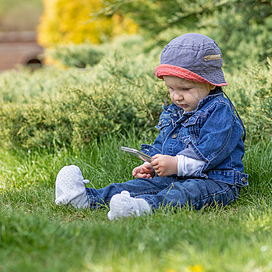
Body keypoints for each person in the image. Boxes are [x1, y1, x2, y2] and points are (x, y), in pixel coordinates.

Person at [55, 33, 248, 220]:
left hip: (215, 181)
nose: (176, 96)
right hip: (176, 175)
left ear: (211, 83)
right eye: (171, 89)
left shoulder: (220, 110)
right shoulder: (179, 109)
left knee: (185, 193)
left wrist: (175, 165)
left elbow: (210, 154)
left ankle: (143, 208)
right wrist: (151, 164)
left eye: (184, 89)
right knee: (137, 185)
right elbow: (164, 142)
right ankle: (86, 199)